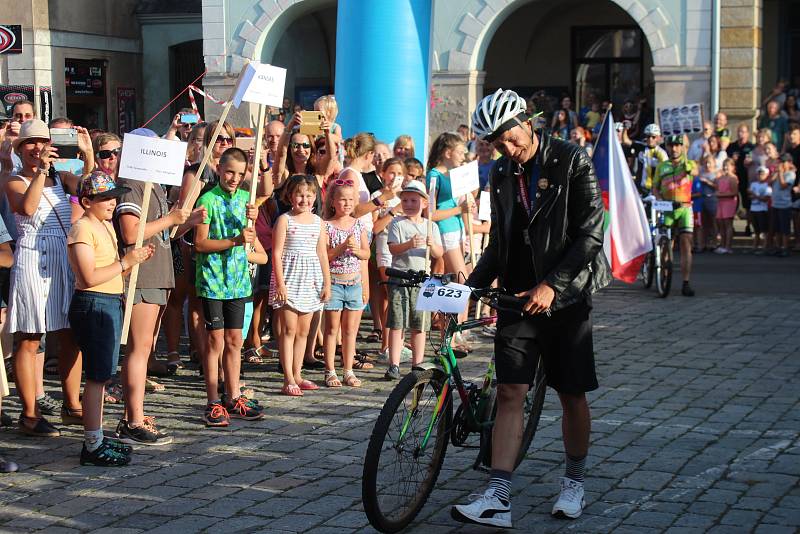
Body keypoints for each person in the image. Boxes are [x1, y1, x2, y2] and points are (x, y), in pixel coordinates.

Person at [452, 89, 610, 527]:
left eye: (509, 136)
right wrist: (471, 285)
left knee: (570, 392)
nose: (506, 147)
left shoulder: (570, 159)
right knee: (509, 391)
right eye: (496, 143)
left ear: (528, 121)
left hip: (565, 298)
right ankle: (499, 495)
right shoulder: (501, 172)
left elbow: (590, 234)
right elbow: (501, 241)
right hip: (518, 298)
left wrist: (553, 286)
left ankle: (574, 480)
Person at [113, 128, 201, 445]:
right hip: (142, 276)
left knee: (146, 348)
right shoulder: (131, 186)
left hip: (159, 274)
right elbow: (130, 232)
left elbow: (164, 236)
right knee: (138, 351)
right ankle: (132, 420)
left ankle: (135, 414)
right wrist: (170, 218)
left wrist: (185, 221)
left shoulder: (156, 188)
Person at [6, 119, 94, 437]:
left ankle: (73, 405)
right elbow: (27, 208)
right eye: (31, 143)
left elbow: (90, 189)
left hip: (61, 257)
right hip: (32, 256)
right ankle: (30, 414)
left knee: (70, 333)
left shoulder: (62, 177)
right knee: (30, 338)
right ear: (20, 148)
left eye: (44, 142)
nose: (38, 148)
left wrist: (88, 154)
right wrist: (41, 171)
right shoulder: (14, 180)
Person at [67, 171, 154, 465]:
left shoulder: (105, 226)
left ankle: (98, 437)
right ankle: (92, 443)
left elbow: (114, 270)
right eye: (105, 198)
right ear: (87, 201)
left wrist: (134, 261)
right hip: (94, 304)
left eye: (113, 196)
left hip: (108, 301)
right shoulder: (82, 229)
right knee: (97, 376)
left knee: (102, 374)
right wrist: (126, 261)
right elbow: (88, 277)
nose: (112, 202)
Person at [194, 148, 267, 426]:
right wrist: (234, 241)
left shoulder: (247, 200)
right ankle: (213, 400)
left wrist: (253, 216)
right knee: (215, 342)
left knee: (236, 341)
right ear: (219, 169)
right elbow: (200, 244)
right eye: (229, 172)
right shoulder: (207, 200)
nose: (234, 178)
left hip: (238, 282)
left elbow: (253, 236)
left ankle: (233, 394)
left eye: (240, 173)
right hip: (213, 282)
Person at [269, 175, 330, 396]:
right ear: (290, 196)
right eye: (299, 195)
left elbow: (322, 253)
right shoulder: (285, 219)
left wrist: (327, 282)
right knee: (288, 330)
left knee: (304, 331)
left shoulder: (318, 222)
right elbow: (276, 253)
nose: (304, 200)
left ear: (315, 197)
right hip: (290, 277)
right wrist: (280, 284)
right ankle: (287, 379)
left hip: (311, 279)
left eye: (308, 195)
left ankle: (297, 373)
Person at [384, 180, 443, 380]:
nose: (409, 204)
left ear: (424, 203)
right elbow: (393, 249)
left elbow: (439, 253)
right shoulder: (397, 223)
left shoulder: (431, 226)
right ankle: (394, 363)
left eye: (414, 200)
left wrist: (431, 244)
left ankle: (417, 364)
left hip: (422, 280)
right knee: (397, 322)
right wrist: (409, 244)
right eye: (406, 200)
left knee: (420, 323)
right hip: (401, 277)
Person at [425, 132, 473, 346]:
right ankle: (451, 333)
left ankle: (452, 333)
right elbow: (431, 213)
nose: (464, 156)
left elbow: (463, 206)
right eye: (460, 152)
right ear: (447, 152)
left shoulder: (456, 174)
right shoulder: (435, 175)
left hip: (459, 230)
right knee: (462, 282)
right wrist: (458, 208)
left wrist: (466, 207)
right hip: (445, 231)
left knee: (455, 282)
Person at [321, 179, 370, 387]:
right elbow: (325, 255)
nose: (347, 203)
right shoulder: (326, 226)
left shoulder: (359, 225)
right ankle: (330, 370)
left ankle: (348, 370)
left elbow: (367, 254)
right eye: (342, 199)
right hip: (334, 283)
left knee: (351, 330)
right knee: (332, 329)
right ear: (333, 201)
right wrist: (342, 247)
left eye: (351, 199)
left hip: (355, 284)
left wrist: (358, 251)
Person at [653, 135, 699, 296]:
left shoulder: (688, 163)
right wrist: (658, 198)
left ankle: (686, 282)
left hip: (685, 208)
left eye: (677, 145)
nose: (674, 149)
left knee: (686, 243)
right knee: (667, 243)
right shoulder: (661, 166)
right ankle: (664, 275)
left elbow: (694, 171)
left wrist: (687, 166)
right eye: (671, 145)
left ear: (682, 147)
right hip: (667, 208)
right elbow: (655, 187)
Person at [770, 154, 795, 256]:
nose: (781, 164)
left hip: (785, 205)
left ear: (789, 163)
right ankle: (778, 247)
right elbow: (770, 182)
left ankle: (785, 247)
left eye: (783, 162)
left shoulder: (790, 174)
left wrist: (780, 173)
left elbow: (783, 185)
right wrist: (777, 172)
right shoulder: (778, 173)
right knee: (777, 228)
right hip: (775, 204)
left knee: (785, 228)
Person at [714, 159, 739, 254]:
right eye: (724, 165)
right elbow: (717, 188)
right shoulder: (721, 178)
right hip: (720, 202)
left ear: (732, 167)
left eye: (728, 165)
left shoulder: (733, 178)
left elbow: (734, 192)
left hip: (729, 203)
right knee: (721, 224)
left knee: (727, 224)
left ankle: (728, 246)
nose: (725, 167)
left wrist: (721, 195)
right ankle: (722, 245)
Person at [635, 124, 668, 193]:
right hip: (640, 188)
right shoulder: (641, 148)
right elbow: (626, 141)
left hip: (655, 190)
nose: (650, 139)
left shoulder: (662, 153)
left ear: (658, 138)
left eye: (653, 137)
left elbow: (666, 173)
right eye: (648, 136)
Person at [698, 155, 719, 251]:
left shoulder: (717, 174)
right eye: (706, 162)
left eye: (710, 162)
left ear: (714, 163)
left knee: (713, 222)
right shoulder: (701, 173)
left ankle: (714, 243)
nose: (708, 165)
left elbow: (718, 187)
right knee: (703, 223)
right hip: (702, 199)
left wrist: (707, 182)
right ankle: (703, 243)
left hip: (712, 199)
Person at [749, 166, 772, 254]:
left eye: (762, 174)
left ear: (766, 175)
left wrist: (755, 195)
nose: (760, 176)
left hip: (762, 209)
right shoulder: (753, 184)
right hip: (753, 208)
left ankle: (764, 247)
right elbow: (750, 196)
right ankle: (755, 247)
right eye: (759, 174)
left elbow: (765, 198)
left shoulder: (767, 186)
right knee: (756, 230)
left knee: (764, 230)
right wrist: (755, 196)